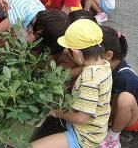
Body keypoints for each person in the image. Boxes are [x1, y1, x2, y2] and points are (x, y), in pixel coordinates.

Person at [31, 19, 113, 148]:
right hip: (96, 129)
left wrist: (55, 112)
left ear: (75, 52)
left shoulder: (89, 78)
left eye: (68, 51)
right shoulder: (103, 64)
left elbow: (82, 118)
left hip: (84, 136)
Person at [97, 26, 138, 148]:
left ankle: (113, 137)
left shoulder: (125, 78)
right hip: (112, 109)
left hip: (131, 118)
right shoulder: (107, 67)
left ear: (108, 55)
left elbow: (118, 105)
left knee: (124, 98)